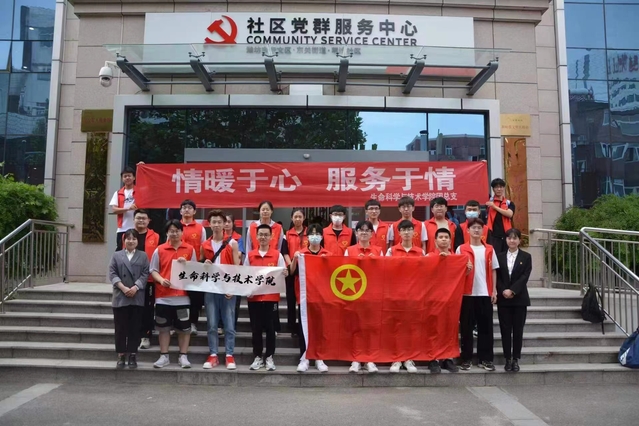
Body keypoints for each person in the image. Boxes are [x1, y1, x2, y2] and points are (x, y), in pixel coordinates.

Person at [149, 220, 198, 369]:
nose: (174, 233)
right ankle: (164, 356)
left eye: (177, 230)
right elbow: (153, 270)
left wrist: (187, 264)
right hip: (163, 296)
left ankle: (183, 356)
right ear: (167, 233)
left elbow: (195, 271)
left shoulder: (190, 249)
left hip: (183, 297)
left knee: (184, 328)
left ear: (182, 232)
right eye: (171, 231)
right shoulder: (160, 249)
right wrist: (161, 280)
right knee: (163, 328)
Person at [456, 218, 498, 372]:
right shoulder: (461, 249)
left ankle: (485, 359)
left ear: (483, 231)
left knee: (485, 327)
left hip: (485, 292)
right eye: (473, 227)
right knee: (466, 328)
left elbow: (493, 270)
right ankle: (466, 359)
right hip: (467, 293)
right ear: (467, 230)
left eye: (479, 228)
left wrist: (494, 290)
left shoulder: (490, 249)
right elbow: (456, 271)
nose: (476, 230)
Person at [244, 224, 288, 371]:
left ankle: (269, 356)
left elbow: (283, 272)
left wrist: (285, 273)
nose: (263, 237)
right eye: (260, 234)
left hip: (271, 298)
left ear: (271, 237)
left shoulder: (277, 255)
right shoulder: (250, 255)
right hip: (254, 298)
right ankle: (257, 356)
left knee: (270, 328)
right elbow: (245, 275)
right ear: (256, 237)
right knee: (256, 328)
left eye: (266, 235)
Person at [201, 210, 240, 370]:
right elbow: (201, 266)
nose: (216, 225)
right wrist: (204, 265)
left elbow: (237, 267)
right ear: (209, 224)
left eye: (219, 222)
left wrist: (233, 288)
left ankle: (229, 355)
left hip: (227, 288)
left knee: (229, 324)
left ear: (225, 224)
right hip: (210, 287)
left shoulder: (232, 243)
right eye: (214, 222)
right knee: (212, 323)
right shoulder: (205, 244)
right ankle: (213, 354)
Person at [289, 223, 331, 373]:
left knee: (319, 327)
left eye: (317, 234)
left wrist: (327, 262)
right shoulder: (301, 253)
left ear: (322, 236)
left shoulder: (327, 254)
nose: (314, 236)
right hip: (304, 296)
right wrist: (294, 259)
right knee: (304, 327)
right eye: (311, 234)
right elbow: (292, 272)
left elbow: (332, 276)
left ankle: (319, 357)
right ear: (307, 237)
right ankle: (304, 357)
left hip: (322, 297)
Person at [384, 219, 422, 374]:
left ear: (414, 232)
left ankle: (409, 358)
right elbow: (385, 271)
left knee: (411, 327)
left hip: (414, 295)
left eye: (409, 229)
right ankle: (396, 358)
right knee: (396, 326)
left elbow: (425, 273)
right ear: (399, 233)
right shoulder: (391, 251)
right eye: (403, 230)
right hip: (396, 295)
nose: (406, 232)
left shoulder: (420, 252)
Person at [344, 220, 381, 373]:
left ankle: (370, 358)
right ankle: (355, 358)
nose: (364, 232)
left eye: (367, 230)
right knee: (355, 327)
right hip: (355, 294)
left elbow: (384, 271)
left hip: (373, 294)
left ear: (372, 234)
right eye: (361, 230)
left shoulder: (378, 251)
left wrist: (375, 262)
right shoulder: (349, 250)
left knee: (371, 327)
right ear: (356, 233)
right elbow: (344, 270)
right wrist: (356, 262)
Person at [109, 229, 149, 369]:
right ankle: (121, 354)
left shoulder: (143, 256)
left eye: (134, 239)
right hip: (120, 296)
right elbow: (112, 273)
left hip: (136, 296)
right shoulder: (116, 255)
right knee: (120, 328)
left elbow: (145, 274)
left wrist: (135, 287)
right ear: (123, 240)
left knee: (134, 327)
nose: (131, 241)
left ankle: (132, 354)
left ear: (138, 241)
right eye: (128, 238)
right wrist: (123, 288)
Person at [424, 228, 460, 374]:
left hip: (451, 299)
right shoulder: (428, 256)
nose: (444, 239)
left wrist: (467, 268)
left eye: (446, 237)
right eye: (441, 237)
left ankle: (448, 358)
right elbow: (424, 274)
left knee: (450, 328)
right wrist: (438, 261)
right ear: (435, 241)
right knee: (434, 328)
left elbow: (461, 276)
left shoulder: (457, 258)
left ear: (450, 241)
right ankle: (433, 358)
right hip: (434, 298)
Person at [497, 228, 532, 373]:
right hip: (503, 298)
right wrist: (503, 290)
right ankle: (507, 358)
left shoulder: (526, 256)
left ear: (519, 240)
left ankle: (516, 359)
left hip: (519, 299)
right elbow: (497, 276)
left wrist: (513, 290)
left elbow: (525, 276)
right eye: (509, 238)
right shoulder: (499, 256)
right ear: (506, 240)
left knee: (518, 330)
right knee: (505, 330)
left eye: (515, 238)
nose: (512, 240)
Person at [128, 210, 161, 351]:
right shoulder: (127, 236)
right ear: (133, 219)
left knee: (147, 308)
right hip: (130, 279)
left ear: (148, 221)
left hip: (149, 279)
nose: (141, 220)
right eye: (138, 218)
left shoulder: (156, 236)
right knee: (132, 308)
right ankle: (133, 334)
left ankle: (146, 335)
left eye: (143, 218)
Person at [179, 199, 206, 335]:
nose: (186, 210)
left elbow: (203, 247)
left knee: (195, 298)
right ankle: (179, 323)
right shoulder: (175, 226)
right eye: (184, 207)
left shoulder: (200, 228)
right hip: (178, 267)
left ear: (194, 211)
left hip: (195, 267)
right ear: (180, 211)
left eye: (189, 207)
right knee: (179, 297)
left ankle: (193, 323)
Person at [284, 209, 308, 332]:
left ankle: (302, 326)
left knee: (303, 300)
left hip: (305, 271)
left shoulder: (309, 233)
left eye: (300, 217)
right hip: (291, 271)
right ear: (291, 218)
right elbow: (285, 252)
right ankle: (291, 326)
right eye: (295, 217)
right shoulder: (287, 234)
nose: (298, 219)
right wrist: (291, 265)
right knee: (291, 299)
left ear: (304, 218)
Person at [109, 166, 137, 251]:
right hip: (122, 228)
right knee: (120, 251)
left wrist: (142, 167)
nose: (127, 178)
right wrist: (128, 208)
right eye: (125, 176)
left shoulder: (139, 191)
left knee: (136, 251)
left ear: (134, 177)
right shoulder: (118, 193)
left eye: (129, 175)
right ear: (122, 179)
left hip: (137, 227)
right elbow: (114, 209)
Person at [486, 178, 515, 255]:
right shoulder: (489, 202)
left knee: (506, 256)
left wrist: (494, 207)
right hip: (493, 235)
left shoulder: (508, 203)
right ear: (493, 189)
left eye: (501, 187)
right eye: (496, 187)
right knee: (495, 256)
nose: (499, 189)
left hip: (506, 235)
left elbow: (509, 214)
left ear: (503, 188)